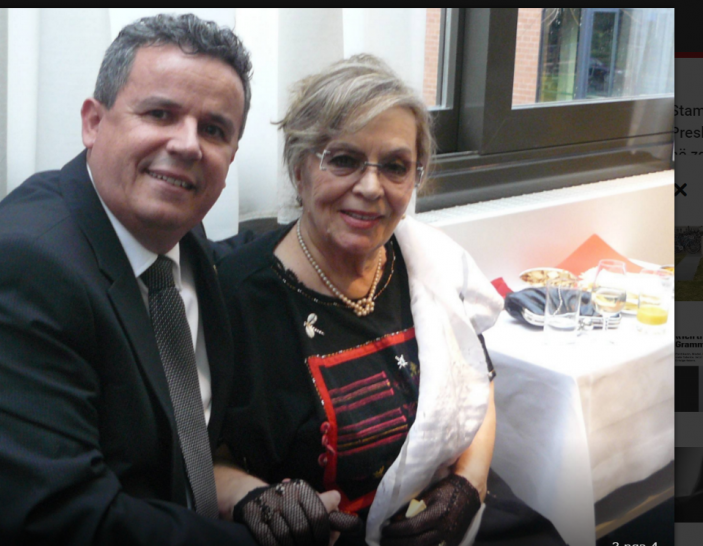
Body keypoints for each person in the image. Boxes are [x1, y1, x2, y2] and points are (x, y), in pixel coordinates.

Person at [0, 13, 328, 546]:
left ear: (231, 157)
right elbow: (67, 518)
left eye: (214, 130)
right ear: (93, 122)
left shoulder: (178, 230)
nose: (188, 145)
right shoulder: (20, 270)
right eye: (160, 114)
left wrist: (248, 495)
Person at [216, 55, 567, 546]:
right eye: (344, 160)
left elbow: (476, 385)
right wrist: (252, 496)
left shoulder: (430, 264)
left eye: (396, 167)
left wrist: (469, 484)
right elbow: (198, 454)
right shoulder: (233, 295)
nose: (370, 187)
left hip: (448, 520)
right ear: (299, 170)